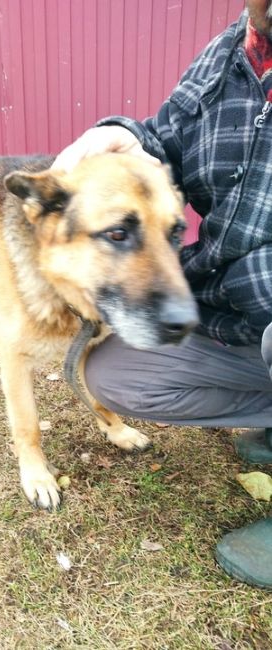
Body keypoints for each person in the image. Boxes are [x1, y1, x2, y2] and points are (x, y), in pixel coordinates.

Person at [53, 1, 272, 589]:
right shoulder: (235, 52)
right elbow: (164, 141)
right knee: (114, 375)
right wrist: (123, 135)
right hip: (233, 308)